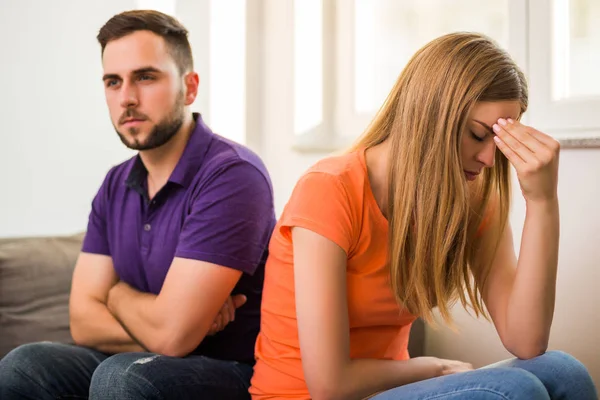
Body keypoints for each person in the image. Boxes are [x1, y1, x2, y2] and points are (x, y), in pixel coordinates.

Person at [249, 32, 597, 399]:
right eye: (478, 135)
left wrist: (542, 202)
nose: (489, 160)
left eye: (499, 143)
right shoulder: (330, 189)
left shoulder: (472, 197)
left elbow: (526, 340)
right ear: (430, 116)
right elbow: (329, 385)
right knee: (512, 391)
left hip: (389, 391)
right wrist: (436, 367)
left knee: (563, 371)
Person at [0, 9, 275, 400]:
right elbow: (83, 322)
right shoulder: (115, 184)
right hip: (146, 358)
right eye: (113, 82)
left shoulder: (232, 175)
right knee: (24, 365)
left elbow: (173, 335)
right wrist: (165, 324)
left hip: (234, 369)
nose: (127, 98)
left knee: (121, 378)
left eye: (145, 77)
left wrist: (116, 295)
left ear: (190, 87)